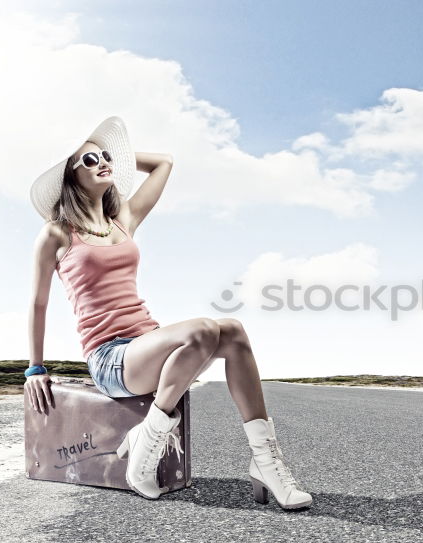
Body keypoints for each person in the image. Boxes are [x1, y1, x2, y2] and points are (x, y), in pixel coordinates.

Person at [23, 116, 312, 509]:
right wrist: (35, 369)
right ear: (70, 178)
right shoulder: (56, 233)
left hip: (153, 344)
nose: (102, 162)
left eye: (106, 156)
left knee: (234, 331)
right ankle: (147, 441)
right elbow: (38, 303)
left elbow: (164, 163)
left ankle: (266, 462)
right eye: (88, 161)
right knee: (206, 330)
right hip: (112, 358)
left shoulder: (122, 221)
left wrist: (114, 158)